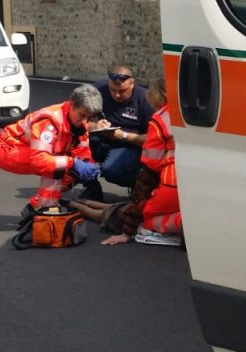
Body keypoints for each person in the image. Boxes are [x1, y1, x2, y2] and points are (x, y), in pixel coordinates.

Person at [67, 78, 179, 246]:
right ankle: (92, 204)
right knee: (138, 207)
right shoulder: (191, 116)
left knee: (134, 215)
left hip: (170, 187)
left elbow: (149, 171)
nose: (117, 95)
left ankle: (78, 206)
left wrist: (127, 233)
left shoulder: (161, 119)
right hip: (183, 187)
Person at [0, 84, 102, 216]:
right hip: (8, 150)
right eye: (82, 115)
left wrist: (89, 165)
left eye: (89, 118)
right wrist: (73, 163)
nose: (85, 121)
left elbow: (81, 151)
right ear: (71, 104)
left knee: (69, 170)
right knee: (58, 164)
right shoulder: (50, 121)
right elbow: (39, 160)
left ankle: (40, 207)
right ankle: (45, 211)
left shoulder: (80, 124)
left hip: (31, 151)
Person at [82, 64, 155, 200]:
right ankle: (92, 187)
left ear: (132, 84)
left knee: (111, 169)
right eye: (112, 89)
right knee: (73, 145)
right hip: (101, 138)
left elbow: (153, 139)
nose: (116, 95)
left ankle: (137, 185)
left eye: (122, 91)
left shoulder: (145, 99)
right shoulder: (98, 90)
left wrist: (123, 135)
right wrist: (95, 125)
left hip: (131, 145)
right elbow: (77, 117)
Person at [135, 78, 181, 246]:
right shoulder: (196, 113)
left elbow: (151, 160)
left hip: (173, 182)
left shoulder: (161, 118)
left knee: (148, 217)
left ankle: (181, 223)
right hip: (200, 177)